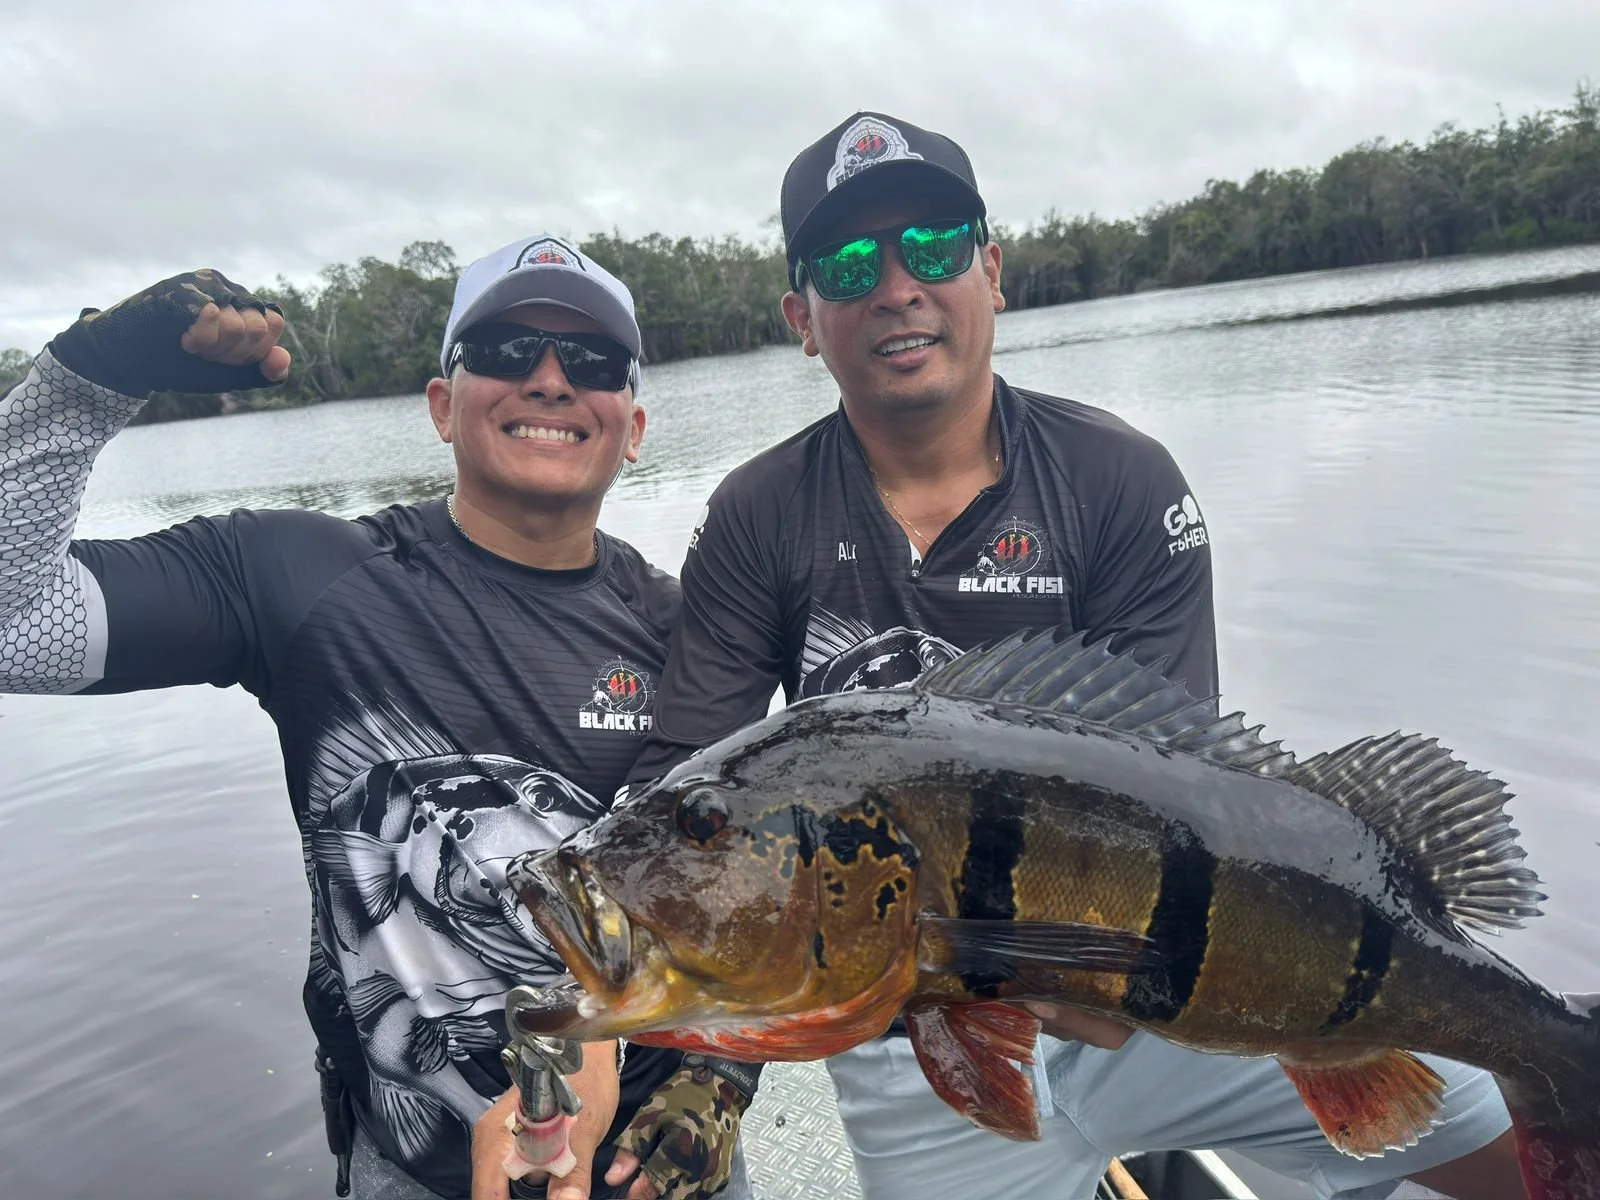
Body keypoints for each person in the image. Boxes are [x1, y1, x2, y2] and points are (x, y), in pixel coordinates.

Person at [626, 111, 1529, 1200]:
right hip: (918, 1048)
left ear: (991, 272)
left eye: (936, 247)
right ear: (803, 318)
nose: (897, 285)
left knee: (1518, 1151)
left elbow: (1196, 792)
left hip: (1174, 1000)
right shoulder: (756, 516)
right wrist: (707, 1082)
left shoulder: (1120, 481)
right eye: (849, 262)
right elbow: (697, 806)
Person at [0, 237, 755, 1200]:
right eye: (508, 351)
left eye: (594, 363)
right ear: (442, 404)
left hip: (658, 1167)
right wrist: (87, 380)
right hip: (413, 1169)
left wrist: (720, 1081)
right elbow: (13, 625)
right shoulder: (303, 580)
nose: (554, 381)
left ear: (634, 424)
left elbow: (748, 902)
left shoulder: (692, 632)